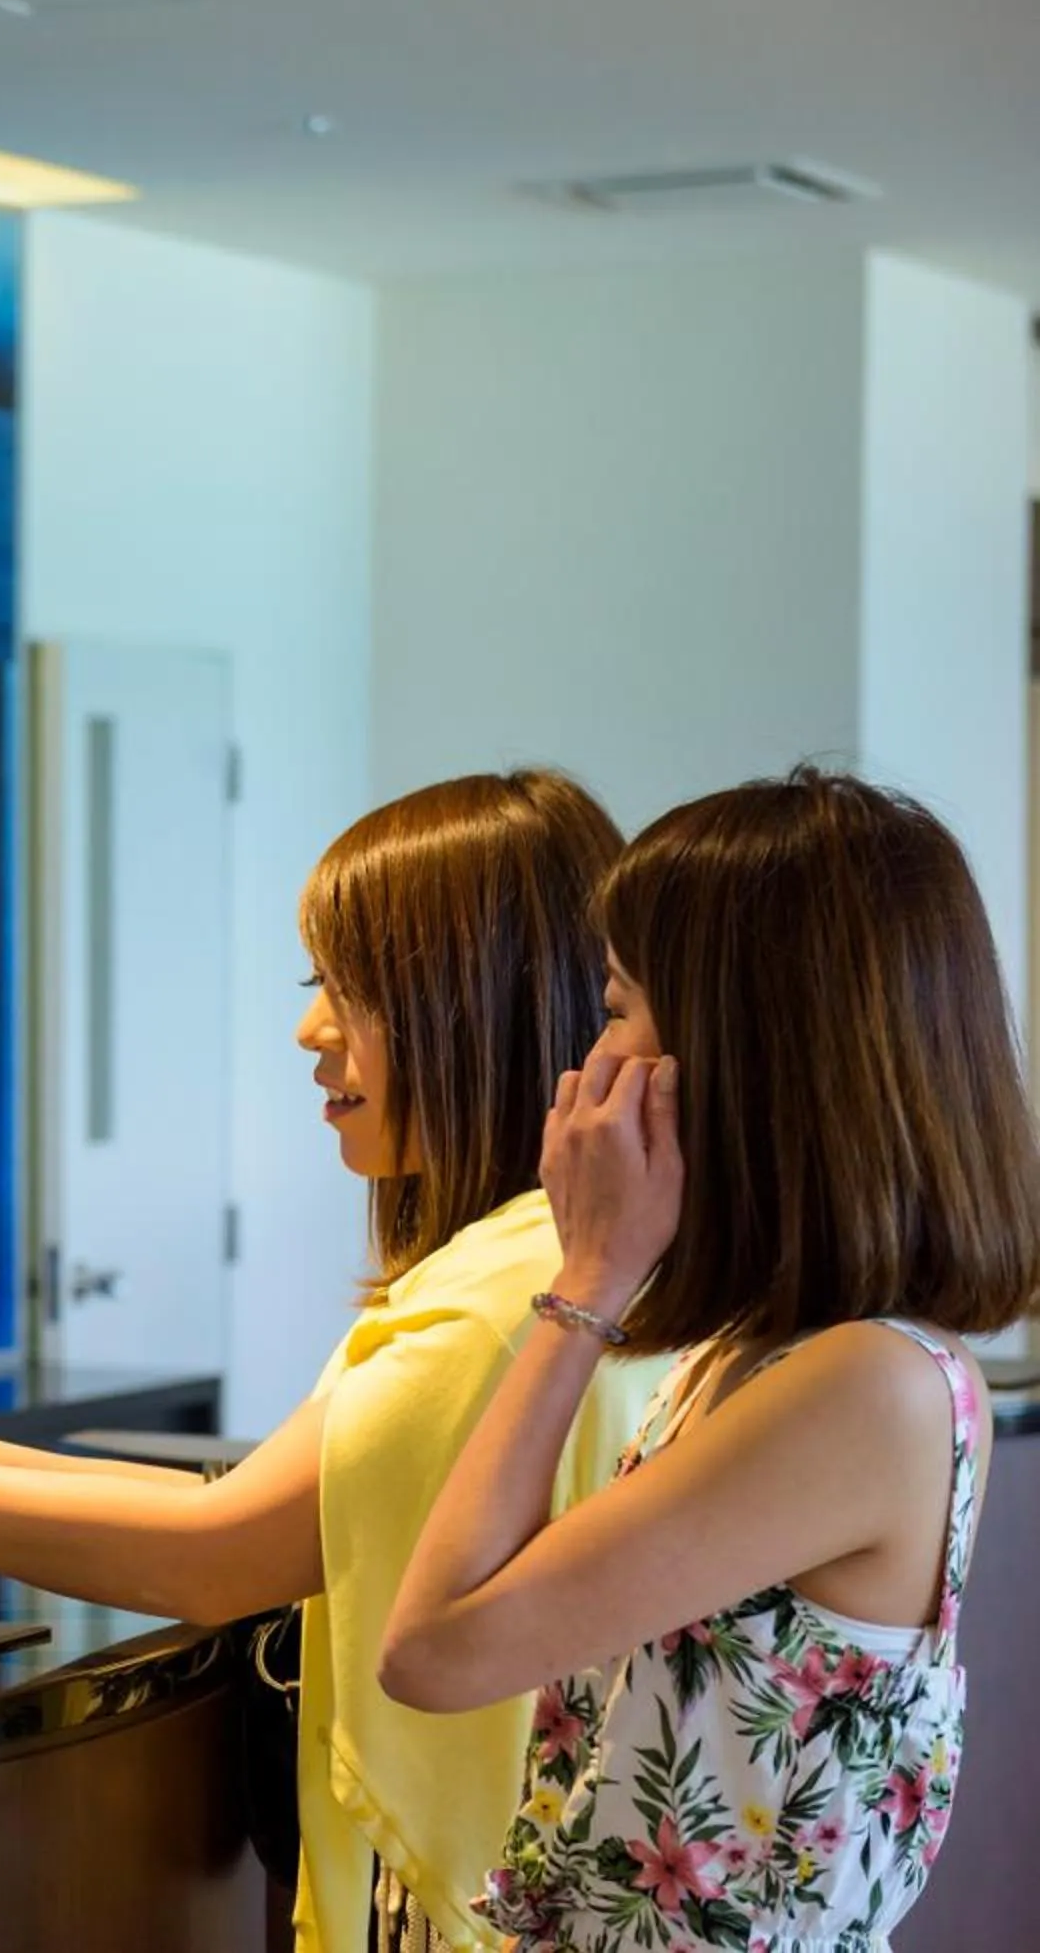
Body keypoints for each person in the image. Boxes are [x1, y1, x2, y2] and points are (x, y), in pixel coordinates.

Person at [0, 772, 673, 1951]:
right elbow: (266, 1506)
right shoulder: (521, 1258)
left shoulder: (504, 1292)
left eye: (350, 990)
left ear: (469, 1006)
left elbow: (222, 1557)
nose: (312, 1032)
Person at [382, 769, 1040, 1951]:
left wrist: (586, 1281)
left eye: (621, 1006)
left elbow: (433, 1650)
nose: (595, 1055)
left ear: (743, 1050)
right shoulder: (762, 1354)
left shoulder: (867, 1389)